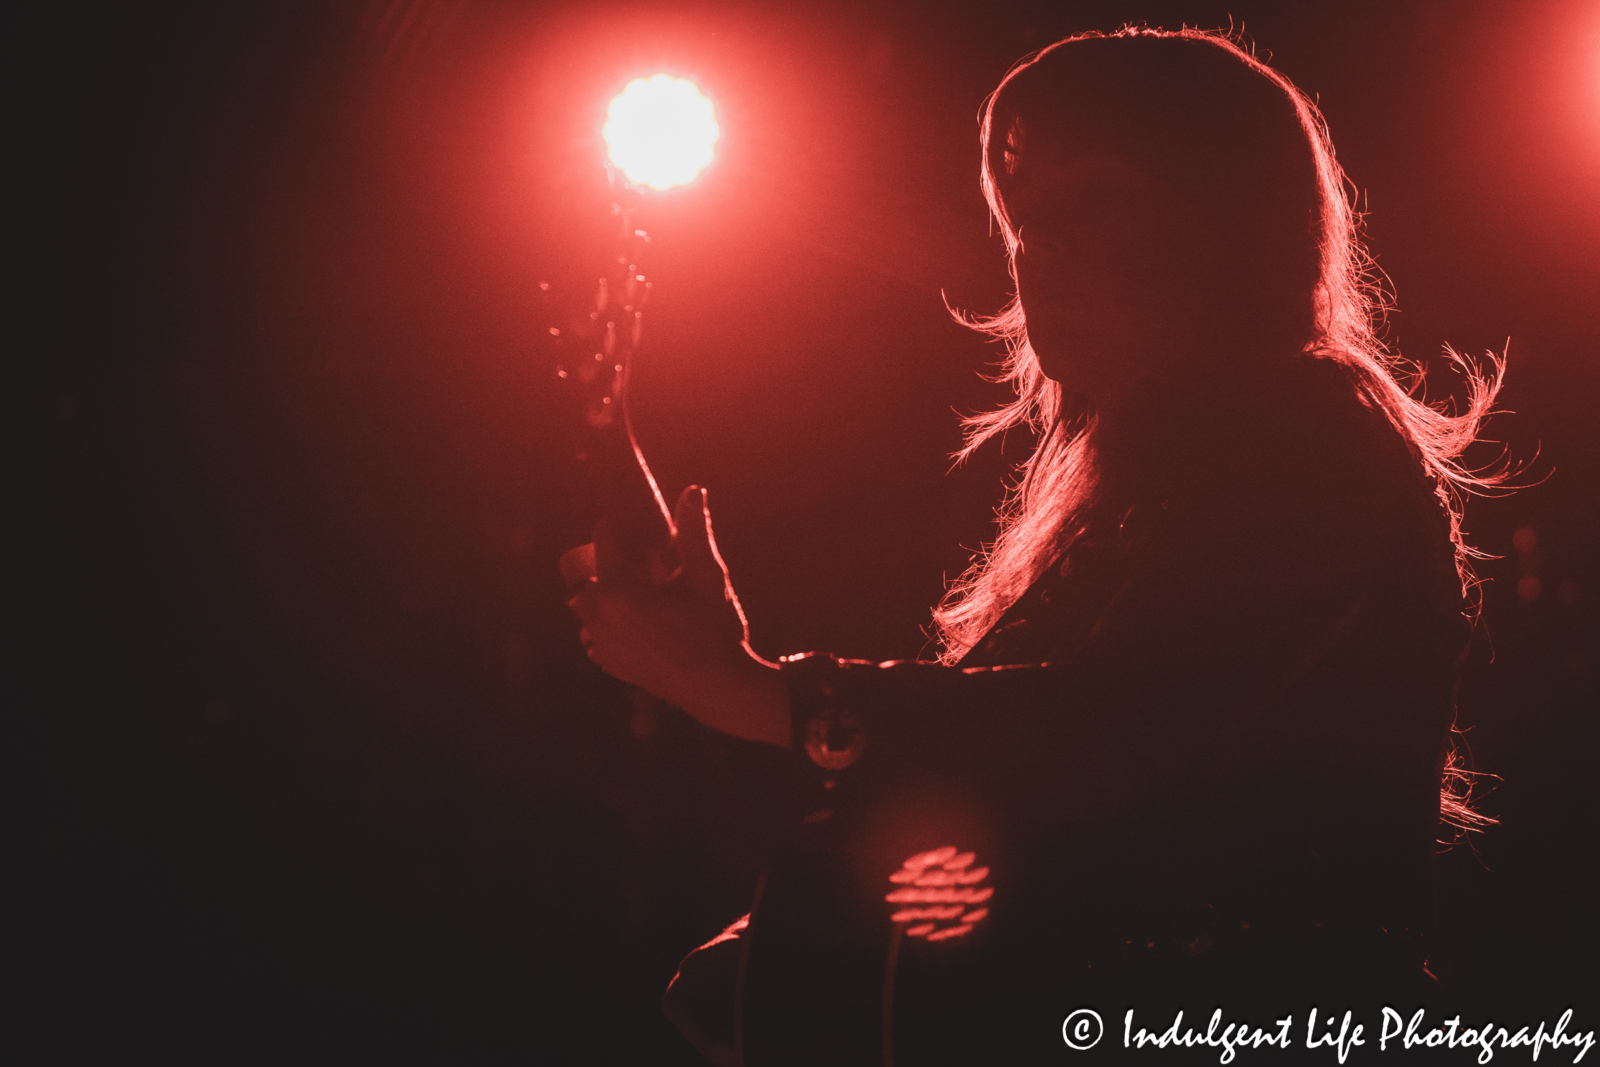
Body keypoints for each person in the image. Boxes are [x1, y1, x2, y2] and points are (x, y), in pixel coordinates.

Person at [566, 26, 1504, 1065]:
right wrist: (792, 943)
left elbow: (1122, 727)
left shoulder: (1308, 431)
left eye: (1093, 195)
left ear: (1232, 223)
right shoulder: (1145, 494)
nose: (1035, 243)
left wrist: (758, 691)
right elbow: (1034, 798)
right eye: (1021, 213)